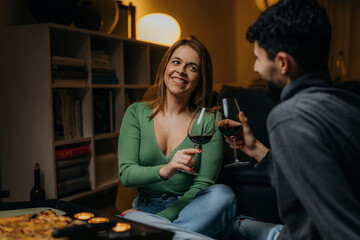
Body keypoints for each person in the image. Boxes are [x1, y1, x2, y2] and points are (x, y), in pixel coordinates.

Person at [222, 0, 360, 239]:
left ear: (283, 63)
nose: (255, 68)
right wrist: (255, 149)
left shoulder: (289, 116)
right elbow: (310, 186)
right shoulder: (348, 104)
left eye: (258, 57)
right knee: (232, 227)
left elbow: (342, 229)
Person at [117, 36, 236, 239]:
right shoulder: (136, 112)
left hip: (193, 208)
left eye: (192, 67)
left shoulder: (209, 120)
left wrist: (159, 223)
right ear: (165, 66)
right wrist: (166, 169)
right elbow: (126, 175)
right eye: (176, 62)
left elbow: (203, 183)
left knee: (223, 194)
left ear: (200, 78)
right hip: (145, 208)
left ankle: (158, 234)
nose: (180, 71)